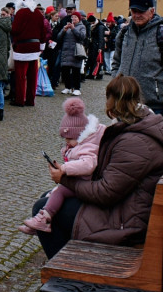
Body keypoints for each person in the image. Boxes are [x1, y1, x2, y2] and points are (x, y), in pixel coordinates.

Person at [30, 75, 163, 258]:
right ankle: (68, 263)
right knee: (48, 199)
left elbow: (105, 193)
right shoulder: (141, 125)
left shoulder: (134, 142)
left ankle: (66, 269)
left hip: (126, 218)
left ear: (113, 103)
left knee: (41, 208)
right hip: (130, 205)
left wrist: (65, 180)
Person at [20, 97, 105, 234]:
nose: (67, 142)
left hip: (83, 183)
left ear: (80, 135)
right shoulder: (77, 145)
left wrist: (65, 168)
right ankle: (39, 224)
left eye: (69, 139)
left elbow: (88, 165)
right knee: (51, 194)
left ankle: (44, 220)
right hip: (76, 181)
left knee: (58, 191)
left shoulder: (88, 147)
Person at [111, 0, 163, 127]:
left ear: (152, 11)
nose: (137, 15)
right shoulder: (124, 33)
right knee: (124, 146)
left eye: (141, 11)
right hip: (125, 103)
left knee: (153, 147)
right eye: (134, 11)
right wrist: (116, 85)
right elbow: (116, 62)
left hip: (154, 106)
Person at [11, 0, 46, 107]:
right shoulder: (38, 14)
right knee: (32, 76)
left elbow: (15, 30)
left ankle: (20, 100)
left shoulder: (20, 13)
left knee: (20, 76)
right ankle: (31, 100)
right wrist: (42, 46)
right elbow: (43, 32)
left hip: (22, 47)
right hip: (35, 47)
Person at [56, 13, 87, 96]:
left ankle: (77, 88)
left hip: (76, 52)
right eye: (72, 17)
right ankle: (67, 87)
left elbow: (82, 36)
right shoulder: (67, 26)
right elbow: (58, 37)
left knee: (75, 71)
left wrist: (73, 29)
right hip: (66, 51)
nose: (73, 18)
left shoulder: (82, 27)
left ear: (79, 19)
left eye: (75, 17)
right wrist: (64, 30)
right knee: (65, 70)